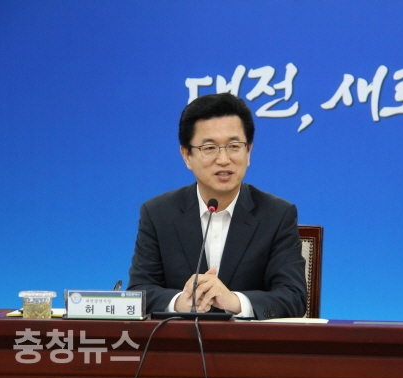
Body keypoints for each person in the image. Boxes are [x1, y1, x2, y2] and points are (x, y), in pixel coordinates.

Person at [127, 93, 306, 319]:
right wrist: (180, 302)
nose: (223, 159)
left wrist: (235, 301)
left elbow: (293, 297)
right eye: (210, 148)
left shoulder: (277, 215)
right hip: (180, 340)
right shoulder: (158, 214)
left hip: (249, 341)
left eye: (234, 146)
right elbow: (138, 292)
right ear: (187, 155)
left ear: (248, 152)